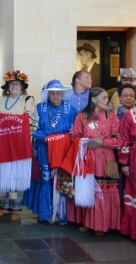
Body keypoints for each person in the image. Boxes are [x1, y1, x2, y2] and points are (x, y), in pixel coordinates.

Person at [67, 87, 122, 237]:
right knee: (88, 191)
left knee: (103, 192)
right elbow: (73, 136)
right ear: (93, 99)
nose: (107, 100)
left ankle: (102, 224)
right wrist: (84, 141)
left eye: (107, 98)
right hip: (87, 159)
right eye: (103, 98)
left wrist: (101, 142)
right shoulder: (82, 116)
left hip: (106, 159)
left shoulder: (111, 116)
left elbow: (119, 140)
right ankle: (88, 222)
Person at [23, 80, 77, 224]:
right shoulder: (39, 108)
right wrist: (46, 138)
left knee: (62, 180)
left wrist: (61, 139)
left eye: (58, 93)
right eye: (52, 93)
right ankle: (45, 214)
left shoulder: (70, 109)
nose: (55, 96)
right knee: (45, 180)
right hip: (44, 149)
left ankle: (62, 215)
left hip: (64, 150)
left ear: (62, 94)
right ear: (47, 94)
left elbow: (75, 130)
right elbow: (33, 129)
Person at [0, 70, 38, 221]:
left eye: (17, 84)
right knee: (3, 174)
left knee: (16, 175)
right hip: (3, 144)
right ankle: (3, 206)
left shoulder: (27, 100)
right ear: (7, 86)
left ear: (22, 86)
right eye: (11, 84)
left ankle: (16, 208)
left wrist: (11, 123)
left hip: (19, 144)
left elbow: (30, 120)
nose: (14, 86)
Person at [119, 90, 136, 240]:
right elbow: (124, 140)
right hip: (134, 157)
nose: (129, 98)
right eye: (126, 95)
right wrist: (124, 162)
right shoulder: (129, 116)